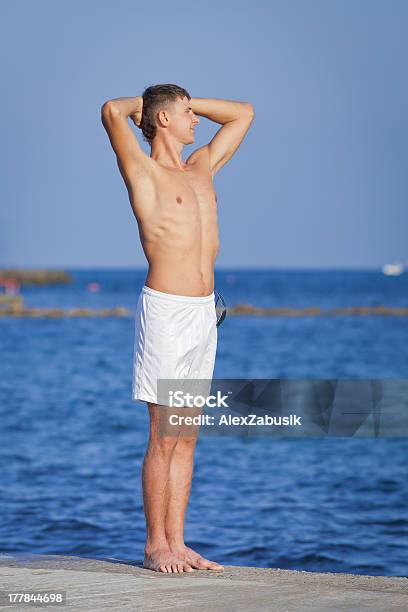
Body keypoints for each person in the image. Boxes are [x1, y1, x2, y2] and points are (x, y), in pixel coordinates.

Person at [101, 84, 254, 573]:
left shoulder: (203, 166)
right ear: (162, 119)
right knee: (163, 435)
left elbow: (243, 114)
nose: (198, 121)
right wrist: (153, 105)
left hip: (204, 314)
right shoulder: (143, 172)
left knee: (187, 436)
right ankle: (154, 546)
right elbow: (111, 111)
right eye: (187, 113)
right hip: (166, 311)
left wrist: (188, 98)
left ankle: (178, 542)